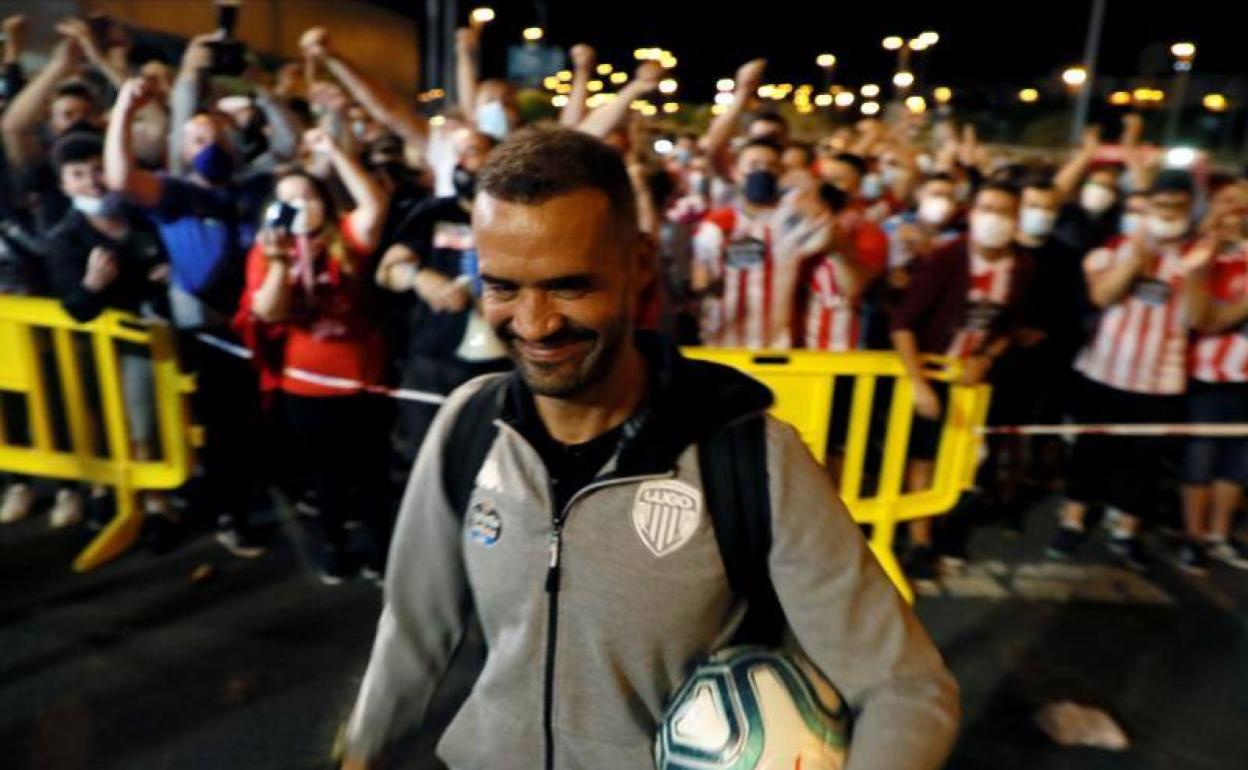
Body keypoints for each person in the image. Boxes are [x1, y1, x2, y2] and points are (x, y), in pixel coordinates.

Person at [340, 124, 957, 770]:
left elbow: (905, 688)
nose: (533, 323)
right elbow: (411, 634)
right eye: (503, 287)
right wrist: (360, 752)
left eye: (568, 285)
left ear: (638, 262)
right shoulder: (469, 425)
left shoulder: (750, 457)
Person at [105, 77, 268, 557]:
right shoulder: (175, 193)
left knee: (254, 425)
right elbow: (119, 177)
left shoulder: (253, 188)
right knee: (222, 428)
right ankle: (229, 516)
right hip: (207, 329)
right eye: (198, 138)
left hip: (258, 325)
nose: (210, 145)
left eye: (217, 135)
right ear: (181, 148)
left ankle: (245, 501)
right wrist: (124, 108)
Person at [236, 129, 391, 584]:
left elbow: (375, 206)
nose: (301, 206)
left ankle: (381, 553)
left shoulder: (345, 235)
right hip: (306, 382)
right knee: (327, 476)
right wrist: (281, 263)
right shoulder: (266, 251)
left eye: (308, 196)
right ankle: (334, 548)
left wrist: (335, 151)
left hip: (364, 377)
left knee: (372, 475)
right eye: (289, 200)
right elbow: (268, 312)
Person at [1047, 171, 1204, 571]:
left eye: (1176, 208)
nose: (1167, 215)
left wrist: (1195, 271)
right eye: (1159, 206)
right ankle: (1073, 520)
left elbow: (1200, 317)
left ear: (1189, 212)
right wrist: (1135, 260)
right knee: (1090, 450)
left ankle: (1126, 530)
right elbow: (1103, 295)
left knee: (1144, 459)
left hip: (1161, 380)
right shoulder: (1110, 250)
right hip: (1104, 371)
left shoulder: (1197, 259)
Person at [890, 181, 1033, 580]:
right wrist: (919, 384)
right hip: (931, 373)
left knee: (967, 461)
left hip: (975, 382)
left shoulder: (1020, 267)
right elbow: (902, 325)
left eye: (1005, 211)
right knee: (924, 457)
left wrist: (987, 357)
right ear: (971, 212)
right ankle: (920, 541)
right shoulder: (945, 259)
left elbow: (1010, 326)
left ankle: (948, 528)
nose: (995, 218)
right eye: (987, 208)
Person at [374, 127, 509, 464]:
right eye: (457, 152)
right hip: (434, 359)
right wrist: (419, 278)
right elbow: (387, 271)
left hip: (501, 363)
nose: (462, 160)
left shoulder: (520, 217)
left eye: (473, 150)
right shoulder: (435, 212)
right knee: (428, 459)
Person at [691, 137, 834, 349]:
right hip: (726, 345)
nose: (763, 171)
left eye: (771, 166)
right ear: (737, 172)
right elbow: (700, 280)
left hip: (785, 347)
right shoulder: (719, 224)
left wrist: (812, 193)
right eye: (754, 165)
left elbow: (825, 244)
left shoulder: (796, 220)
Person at [1176, 185, 1248, 573]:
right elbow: (1202, 319)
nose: (1235, 212)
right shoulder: (1197, 256)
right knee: (1201, 457)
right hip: (1208, 375)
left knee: (1239, 462)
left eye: (1243, 205)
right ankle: (1194, 536)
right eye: (1226, 203)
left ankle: (1220, 535)